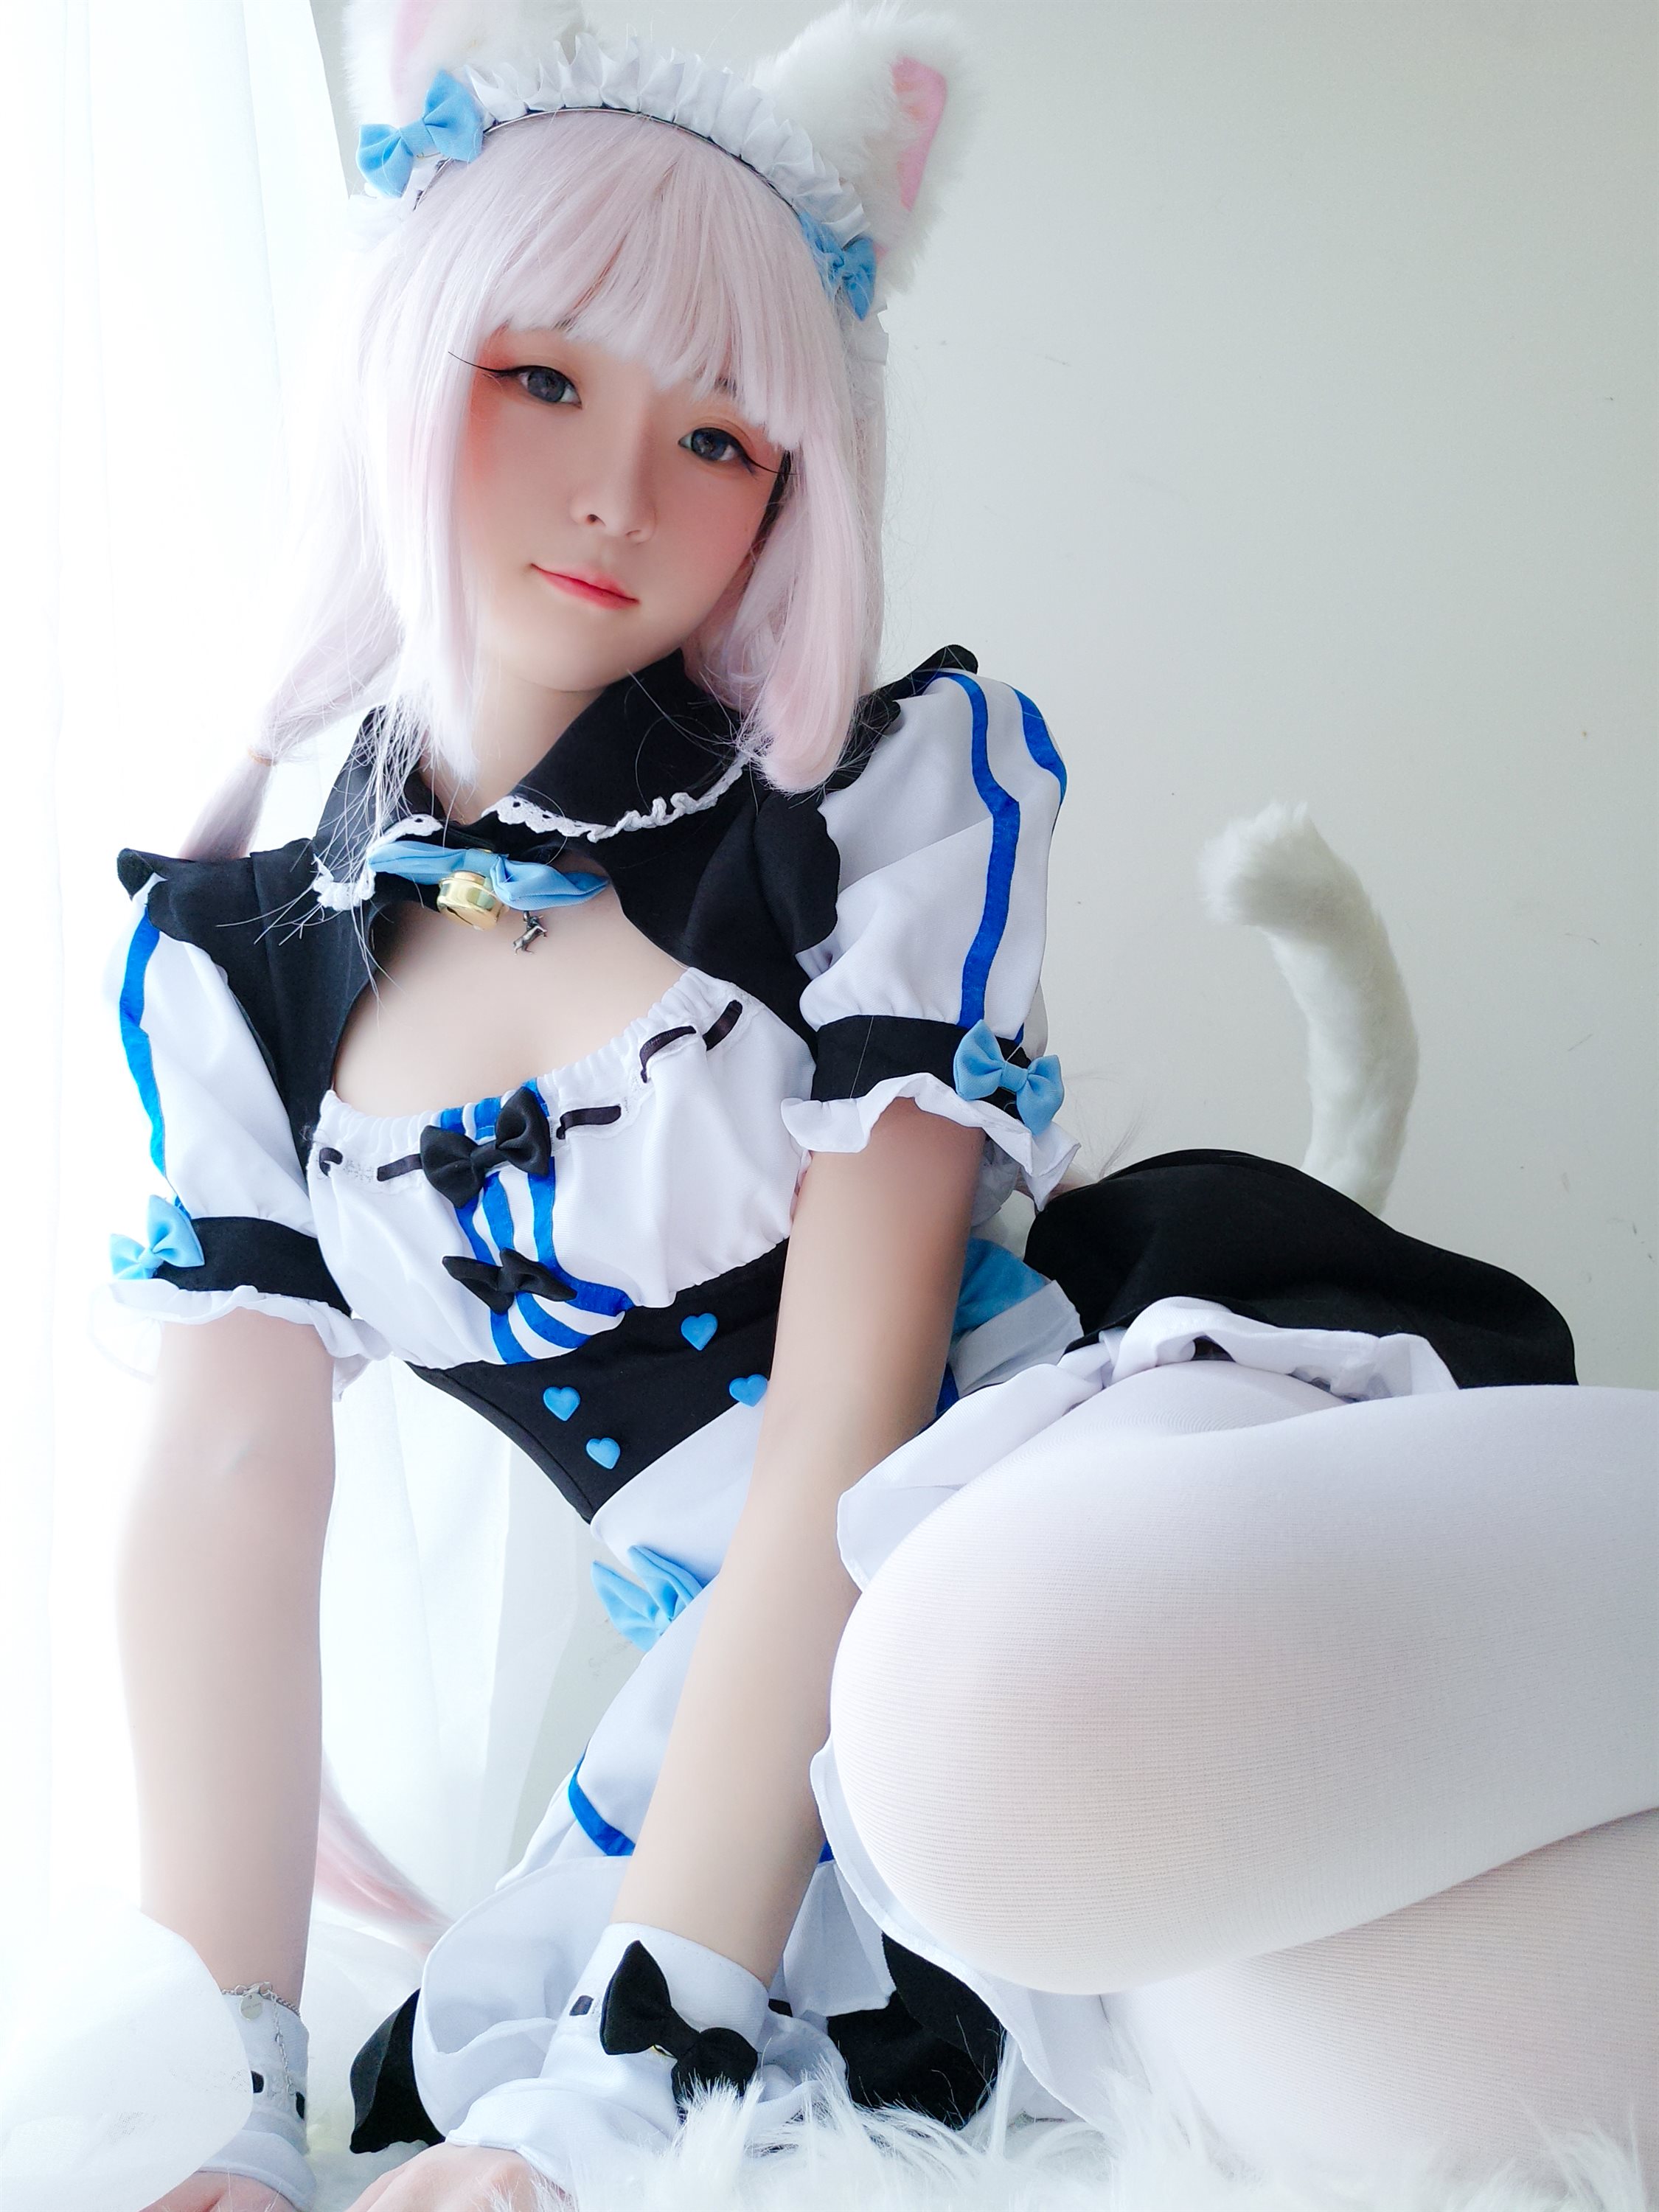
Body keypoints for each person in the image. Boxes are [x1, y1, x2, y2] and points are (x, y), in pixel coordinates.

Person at [101, 5, 1655, 2210]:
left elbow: (847, 1422)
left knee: (984, 1724)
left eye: (717, 435)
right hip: (812, 1742)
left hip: (1062, 1500)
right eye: (539, 378)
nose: (619, 492)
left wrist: (635, 2062)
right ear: (401, 352)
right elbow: (228, 1502)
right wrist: (223, 2101)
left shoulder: (872, 811)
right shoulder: (234, 970)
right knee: (1406, 2100)